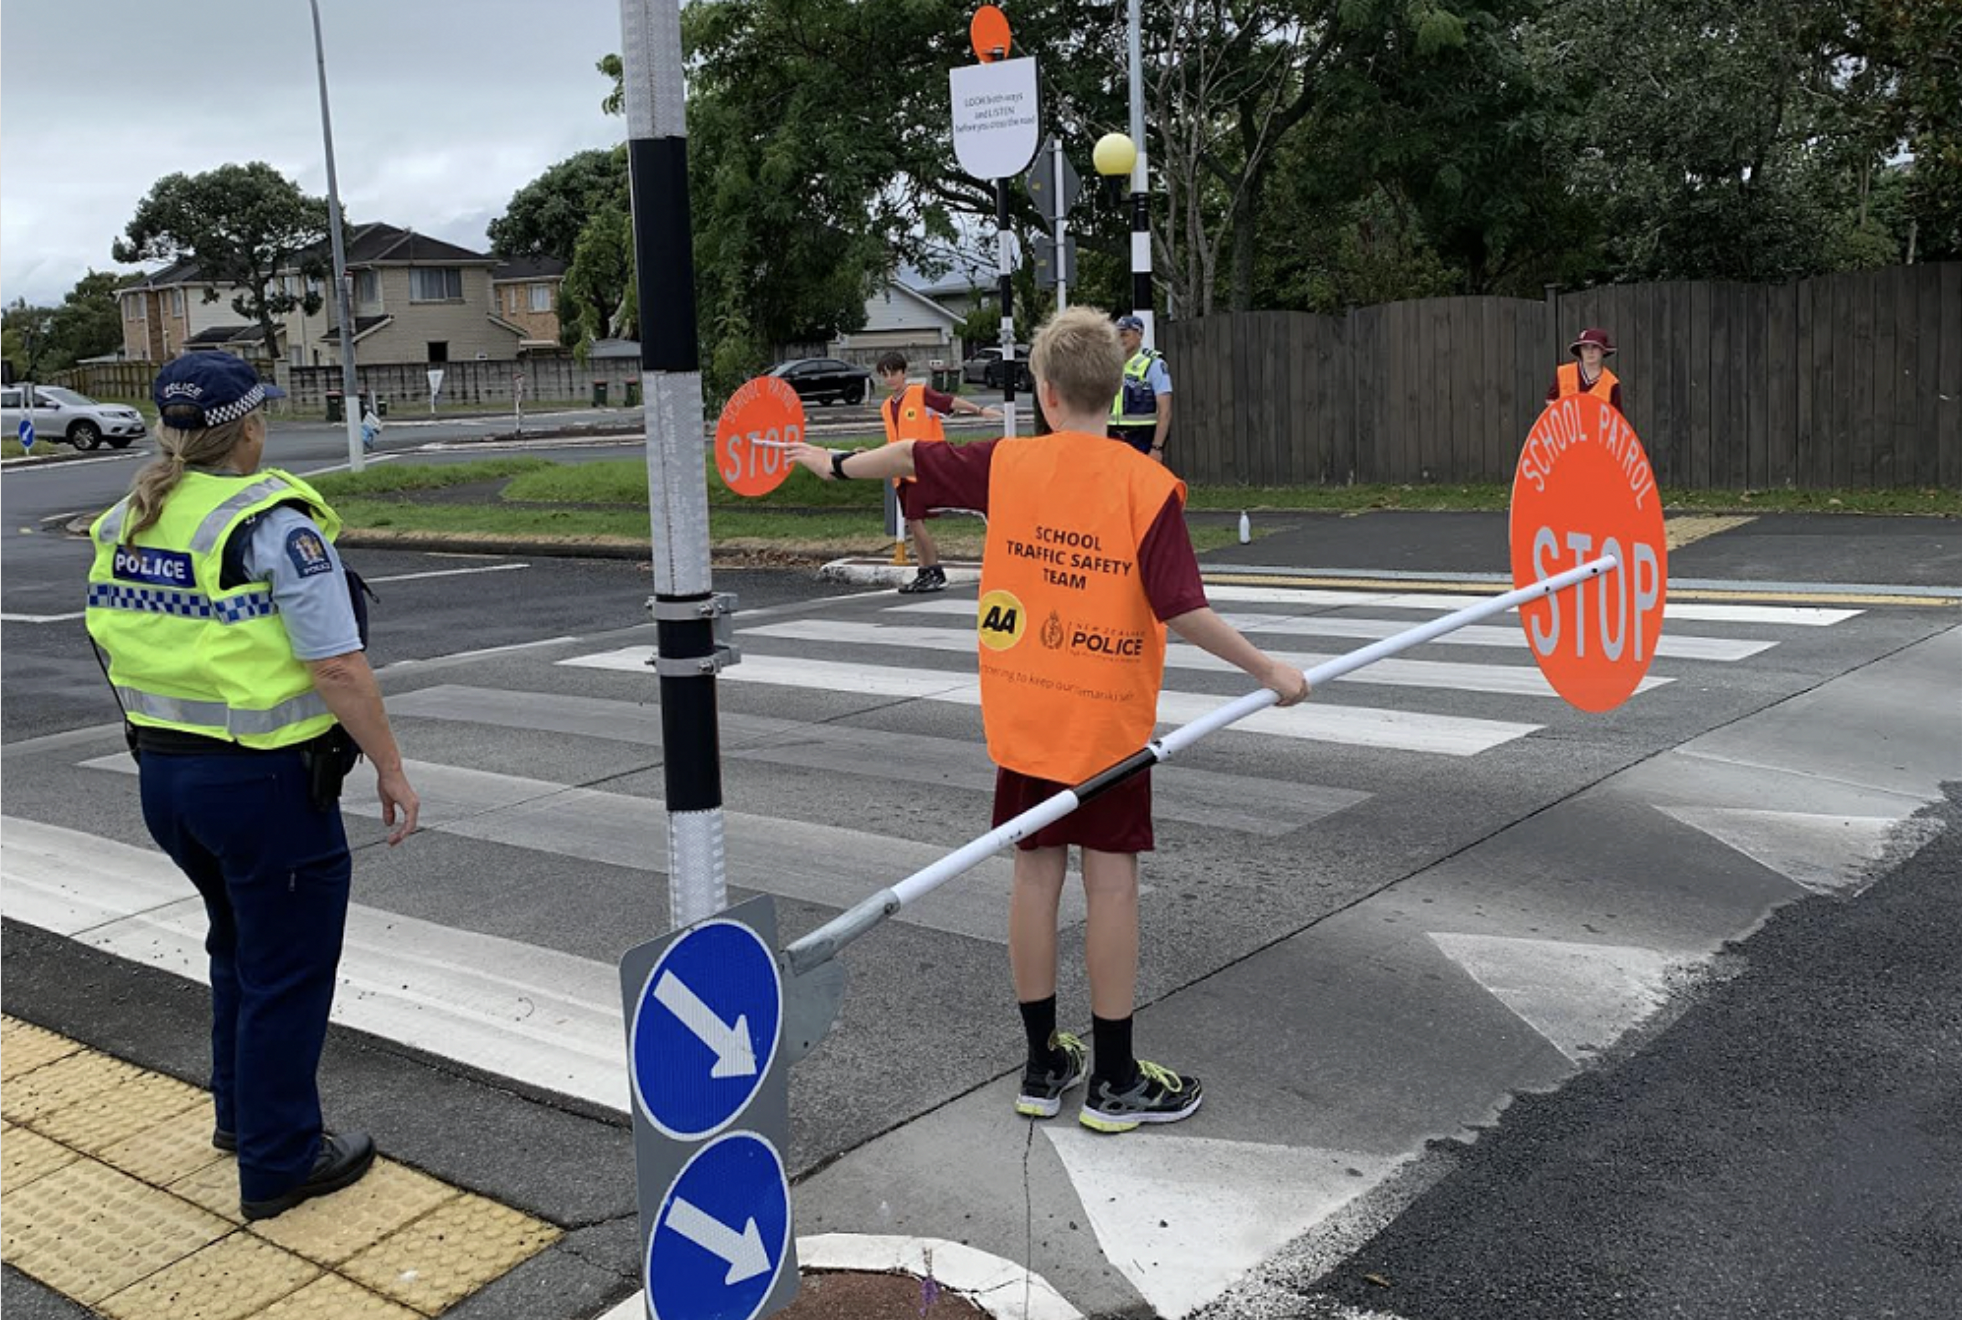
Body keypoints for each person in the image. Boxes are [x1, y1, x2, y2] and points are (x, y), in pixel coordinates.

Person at [788, 308, 1308, 1133]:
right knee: (1111, 886)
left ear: (1046, 392)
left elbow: (909, 456)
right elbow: (1183, 609)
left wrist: (834, 464)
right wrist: (1270, 670)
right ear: (1115, 387)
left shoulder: (1008, 464)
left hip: (1027, 711)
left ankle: (1040, 1066)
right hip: (1105, 729)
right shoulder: (1146, 488)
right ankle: (1113, 1079)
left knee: (1034, 877)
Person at [84, 354, 420, 1220]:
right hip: (264, 789)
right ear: (253, 426)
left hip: (167, 778)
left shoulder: (131, 514)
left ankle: (242, 1118)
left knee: (239, 948)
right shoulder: (273, 523)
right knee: (286, 972)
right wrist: (389, 765)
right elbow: (339, 667)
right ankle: (279, 1163)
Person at [878, 351, 1001, 593]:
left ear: (904, 373)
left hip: (924, 466)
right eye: (885, 375)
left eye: (894, 373)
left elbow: (949, 402)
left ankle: (932, 570)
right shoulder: (886, 407)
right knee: (914, 522)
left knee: (914, 520)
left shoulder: (919, 395)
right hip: (901, 471)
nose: (890, 379)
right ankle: (925, 571)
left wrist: (979, 410)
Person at [1107, 314, 1173, 462]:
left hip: (1142, 437)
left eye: (1125, 334)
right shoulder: (1110, 364)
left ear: (1139, 335)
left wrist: (1157, 447)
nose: (1120, 339)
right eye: (1117, 335)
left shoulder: (1153, 364)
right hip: (1111, 436)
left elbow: (1165, 410)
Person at [1547, 327, 1623, 411]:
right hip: (1567, 423)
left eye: (1595, 347)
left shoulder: (1611, 383)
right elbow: (1550, 400)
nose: (1590, 351)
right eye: (1585, 347)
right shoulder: (1563, 373)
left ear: (1603, 351)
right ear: (1580, 350)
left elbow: (1616, 417)